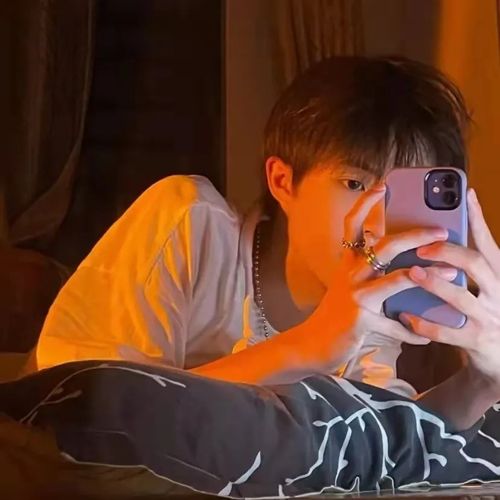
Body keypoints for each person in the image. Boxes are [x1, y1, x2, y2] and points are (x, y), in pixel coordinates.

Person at [36, 56, 500, 430]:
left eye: (398, 196)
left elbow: (390, 442)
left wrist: (484, 382)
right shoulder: (191, 223)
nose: (375, 221)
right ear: (283, 181)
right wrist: (307, 347)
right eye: (355, 184)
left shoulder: (373, 304)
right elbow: (86, 413)